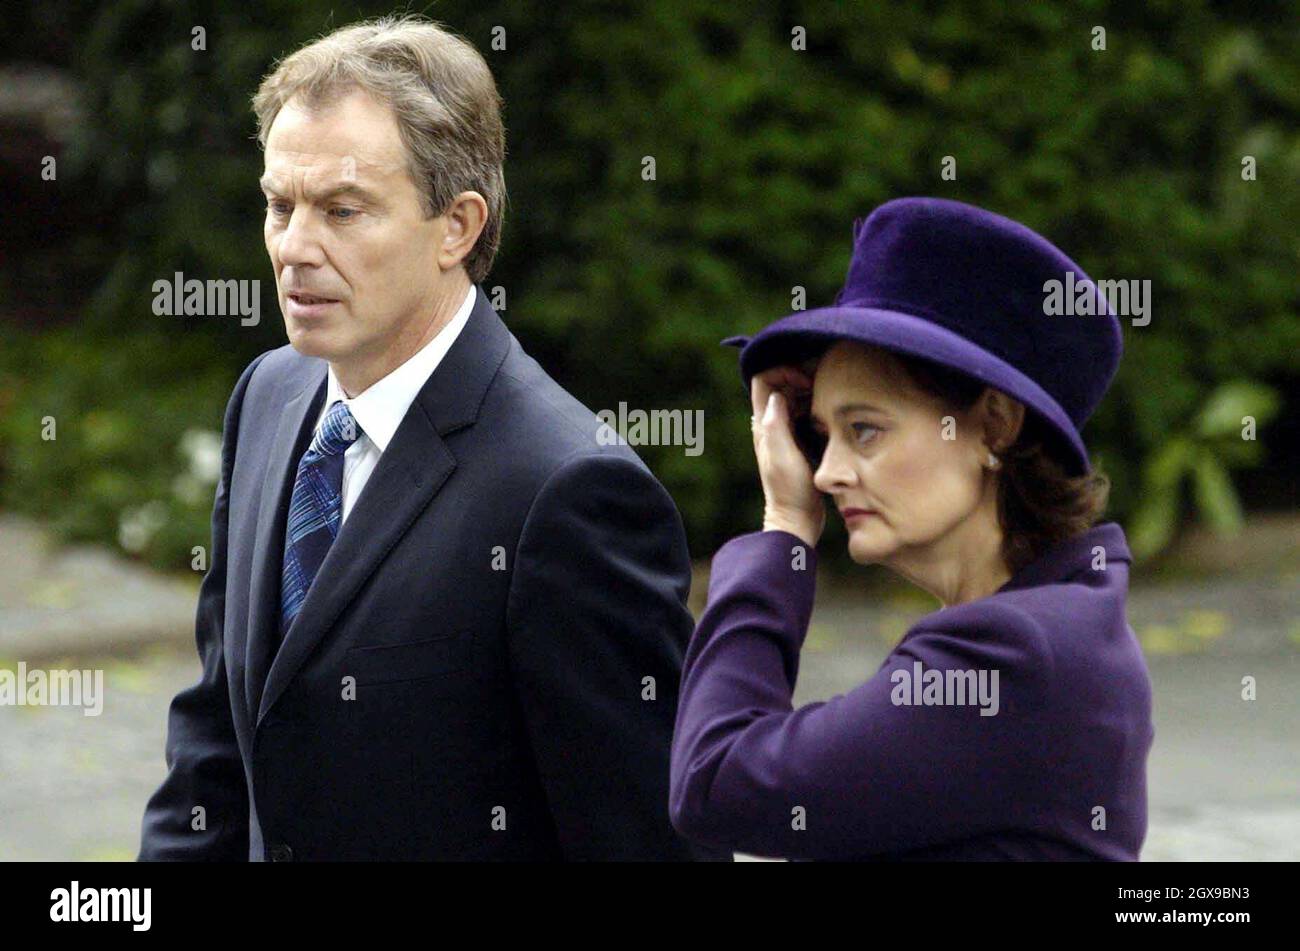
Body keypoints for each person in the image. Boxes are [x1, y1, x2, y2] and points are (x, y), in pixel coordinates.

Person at [139, 15, 721, 861]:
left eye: (343, 209)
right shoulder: (269, 395)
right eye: (279, 204)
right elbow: (214, 748)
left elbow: (650, 840)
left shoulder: (569, 492)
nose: (294, 247)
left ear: (457, 226)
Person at [669, 197, 1154, 861]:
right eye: (821, 434)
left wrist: (783, 528)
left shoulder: (1014, 653)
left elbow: (715, 781)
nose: (826, 472)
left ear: (993, 426)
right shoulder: (1056, 625)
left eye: (864, 429)